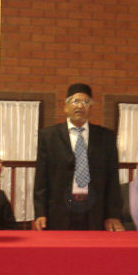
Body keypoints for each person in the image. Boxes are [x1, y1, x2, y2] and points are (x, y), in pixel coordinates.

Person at [33, 83, 124, 231]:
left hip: (95, 212)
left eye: (86, 102)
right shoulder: (48, 136)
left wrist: (113, 214)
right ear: (65, 107)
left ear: (91, 108)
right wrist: (40, 212)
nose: (80, 106)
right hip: (59, 211)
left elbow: (112, 179)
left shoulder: (106, 137)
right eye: (75, 101)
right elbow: (41, 179)